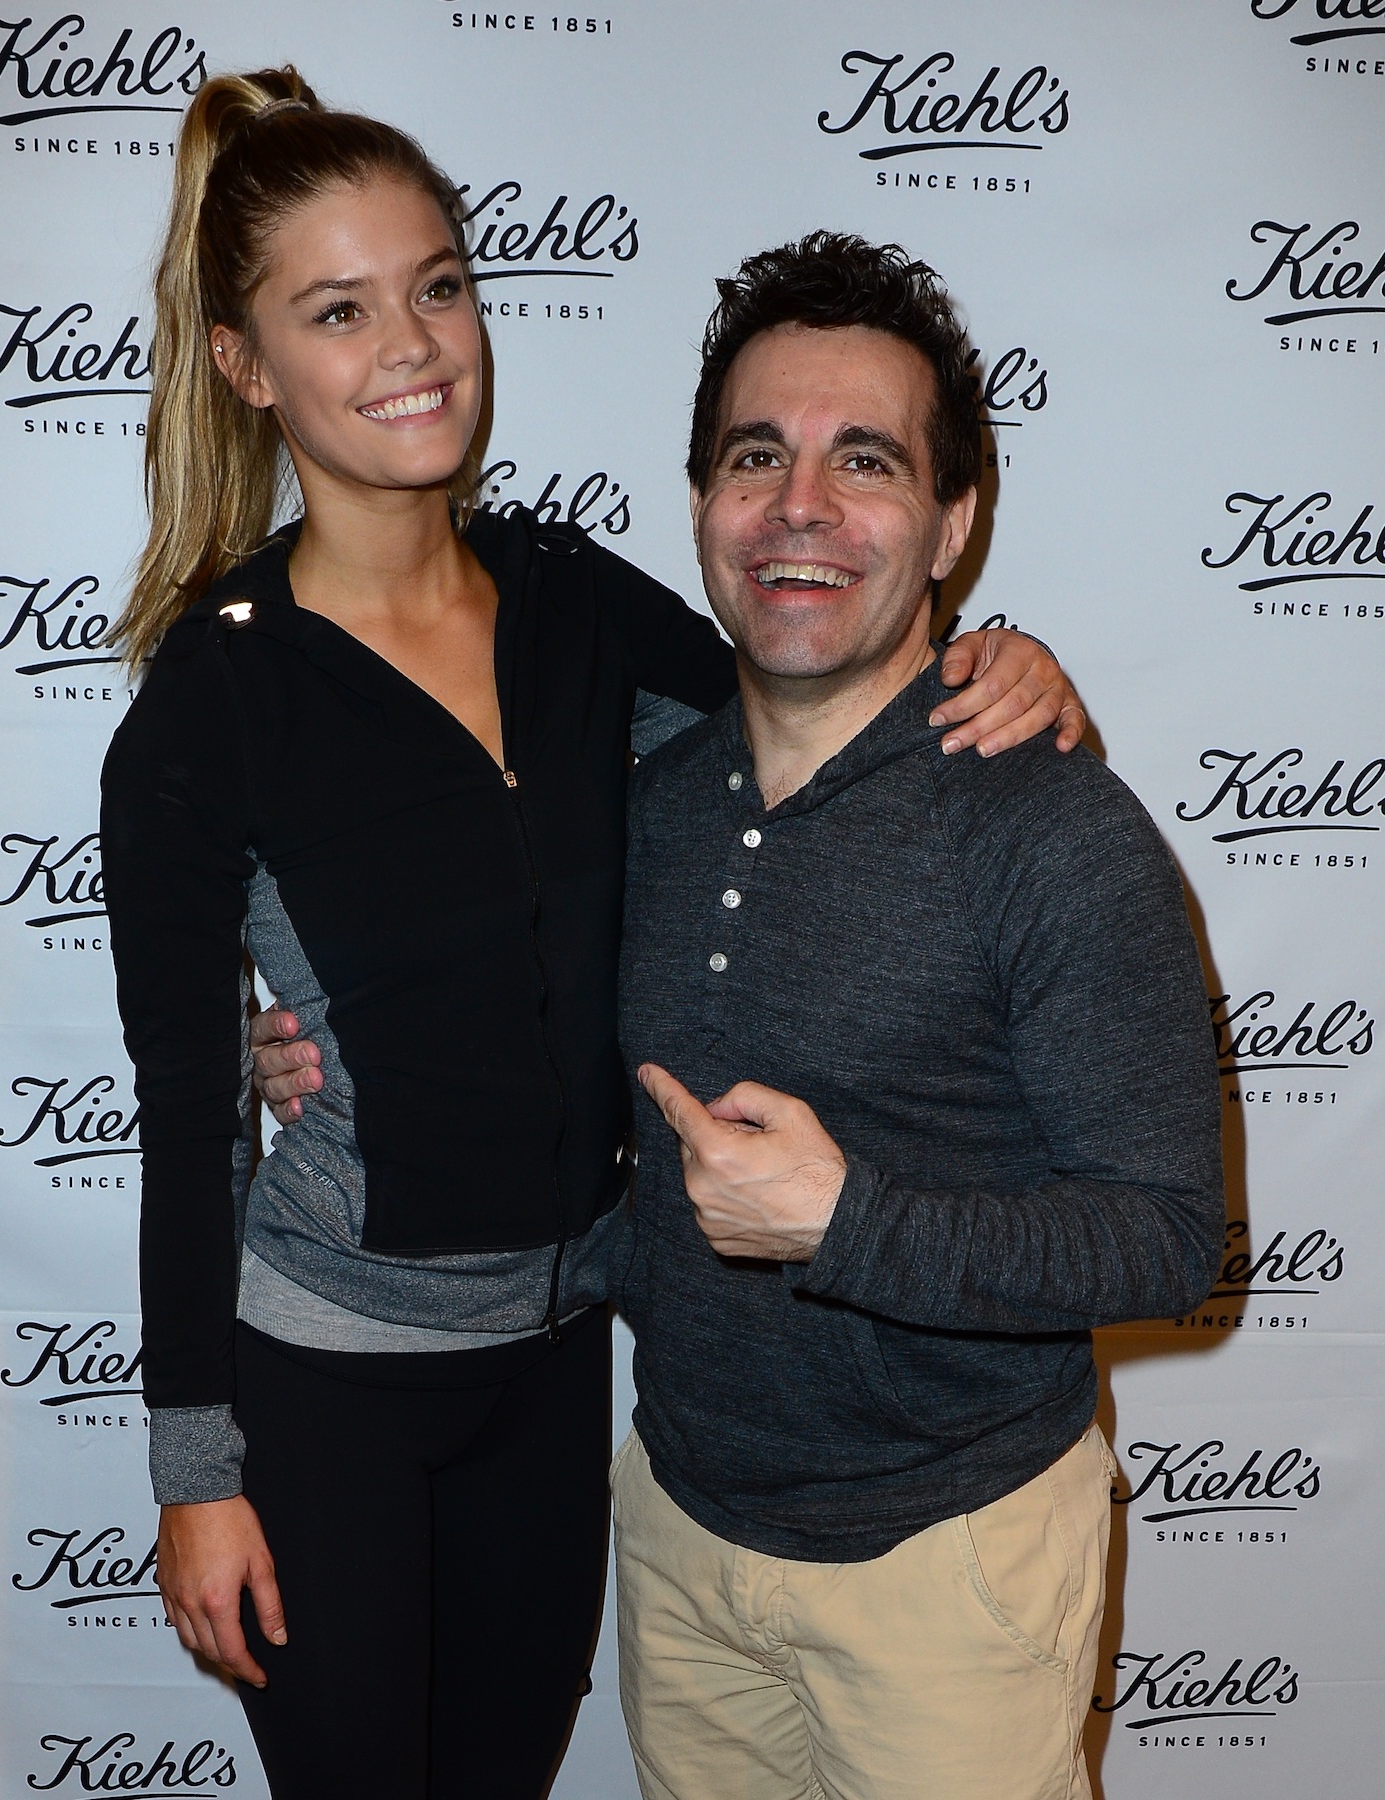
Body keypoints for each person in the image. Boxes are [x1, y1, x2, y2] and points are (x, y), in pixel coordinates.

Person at [102, 65, 1083, 1800]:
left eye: (438, 286)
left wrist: (985, 658)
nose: (413, 346)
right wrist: (197, 1475)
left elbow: (817, 709)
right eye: (339, 311)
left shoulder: (571, 601)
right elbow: (183, 1130)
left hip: (562, 1373)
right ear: (248, 366)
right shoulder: (212, 699)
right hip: (328, 1386)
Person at [603, 234, 1225, 1800]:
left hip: (950, 1574)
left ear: (953, 521)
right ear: (702, 503)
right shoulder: (646, 804)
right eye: (756, 455)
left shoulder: (1056, 831)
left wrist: (847, 1224)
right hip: (679, 1538)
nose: (799, 505)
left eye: (864, 460)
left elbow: (1166, 1240)